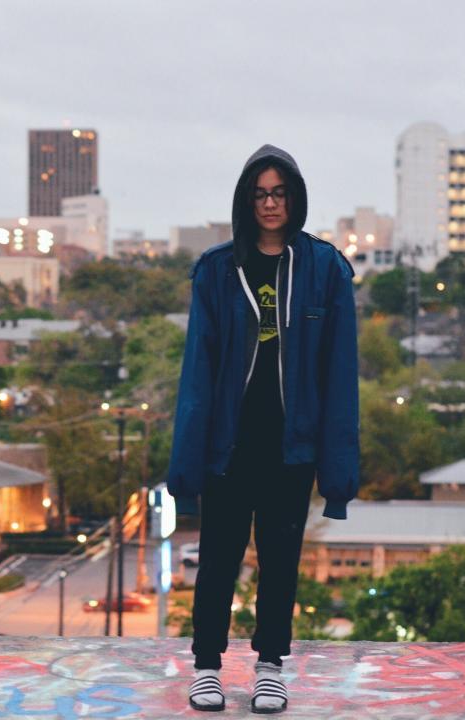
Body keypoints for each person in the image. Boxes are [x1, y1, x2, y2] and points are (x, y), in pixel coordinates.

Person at [165, 145, 359, 714]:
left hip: (290, 446)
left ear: (294, 197)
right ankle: (207, 668)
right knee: (219, 558)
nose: (270, 203)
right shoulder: (218, 269)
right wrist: (187, 459)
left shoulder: (326, 268)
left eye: (279, 192)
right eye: (260, 194)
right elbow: (196, 373)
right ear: (246, 201)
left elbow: (340, 374)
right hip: (229, 443)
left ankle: (270, 667)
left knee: (280, 559)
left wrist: (338, 465)